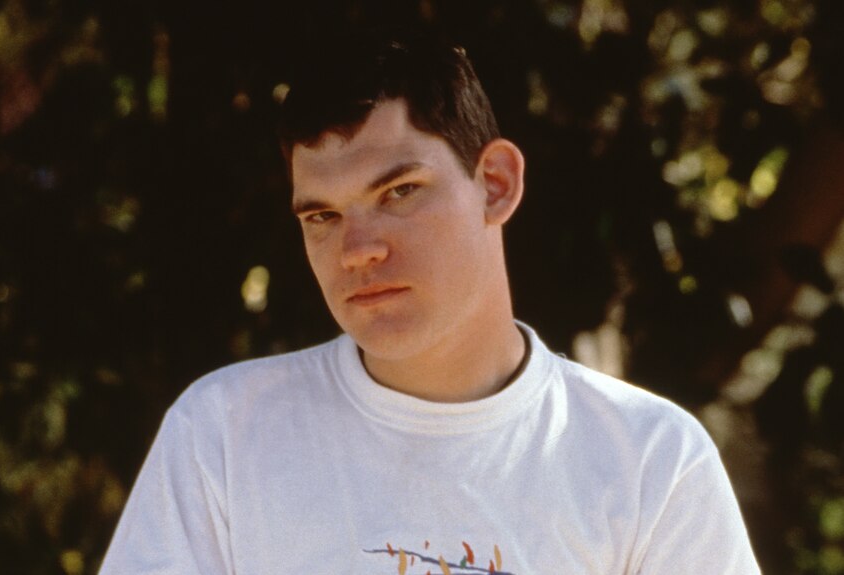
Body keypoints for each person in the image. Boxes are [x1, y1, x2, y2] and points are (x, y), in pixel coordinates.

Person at [100, 31, 761, 574]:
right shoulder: (223, 434)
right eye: (323, 215)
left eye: (399, 192)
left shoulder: (651, 460)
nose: (356, 249)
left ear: (495, 185)